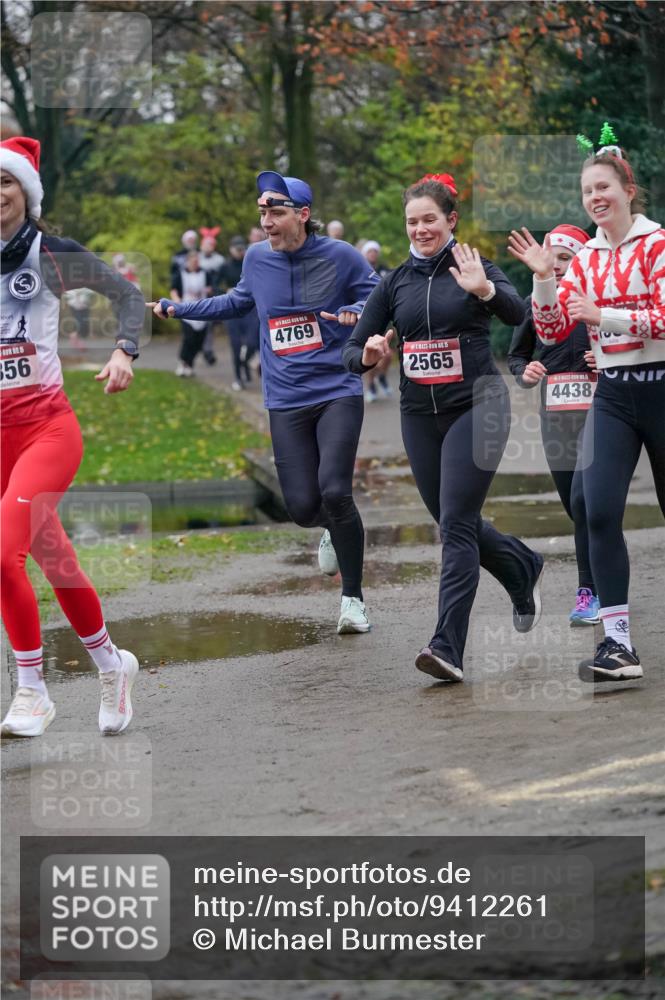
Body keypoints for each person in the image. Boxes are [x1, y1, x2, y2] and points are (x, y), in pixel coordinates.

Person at [152, 171, 380, 634]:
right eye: (263, 213)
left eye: (276, 213)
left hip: (336, 387)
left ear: (303, 215)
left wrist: (358, 313)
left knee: (336, 490)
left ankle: (353, 599)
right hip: (285, 397)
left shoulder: (341, 256)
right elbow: (237, 301)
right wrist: (182, 310)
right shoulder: (257, 258)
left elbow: (377, 290)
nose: (267, 223)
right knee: (300, 506)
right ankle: (334, 528)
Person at [343, 173, 543, 683]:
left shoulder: (473, 266)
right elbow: (352, 352)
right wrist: (366, 355)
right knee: (456, 520)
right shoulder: (394, 282)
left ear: (450, 220)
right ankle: (521, 565)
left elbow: (521, 313)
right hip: (420, 415)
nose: (420, 229)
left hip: (478, 407)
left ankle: (446, 646)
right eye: (412, 221)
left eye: (429, 219)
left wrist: (487, 290)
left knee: (455, 524)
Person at [0, 136, 143, 737]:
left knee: (4, 553)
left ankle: (31, 689)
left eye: (4, 184)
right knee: (56, 560)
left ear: (24, 194)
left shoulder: (49, 254)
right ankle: (112, 664)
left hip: (47, 431)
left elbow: (127, 295)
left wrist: (124, 351)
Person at [508, 139, 665, 683]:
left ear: (628, 191)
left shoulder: (657, 243)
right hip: (616, 395)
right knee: (597, 511)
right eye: (587, 191)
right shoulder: (589, 257)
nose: (595, 197)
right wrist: (544, 277)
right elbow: (551, 330)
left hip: (662, 384)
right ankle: (618, 646)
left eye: (603, 187)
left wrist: (606, 315)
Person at [507, 223, 600, 626]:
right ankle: (606, 565)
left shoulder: (599, 302)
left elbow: (632, 347)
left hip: (601, 416)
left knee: (587, 502)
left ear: (583, 260)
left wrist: (607, 361)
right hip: (555, 419)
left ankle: (589, 591)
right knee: (574, 506)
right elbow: (516, 356)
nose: (557, 265)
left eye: (566, 258)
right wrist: (525, 371)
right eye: (552, 258)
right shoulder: (536, 304)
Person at [218, 236, 260, 391]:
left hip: (250, 309)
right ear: (231, 249)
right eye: (237, 249)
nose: (240, 252)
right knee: (235, 345)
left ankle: (246, 364)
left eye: (242, 249)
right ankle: (238, 377)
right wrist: (226, 292)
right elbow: (216, 285)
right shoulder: (225, 266)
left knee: (252, 343)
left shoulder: (249, 263)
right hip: (232, 309)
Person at [360, 240, 393, 402]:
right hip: (365, 317)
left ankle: (382, 376)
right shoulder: (359, 270)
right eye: (369, 251)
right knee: (370, 353)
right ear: (364, 254)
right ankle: (371, 385)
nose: (372, 254)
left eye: (374, 251)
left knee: (388, 355)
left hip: (385, 317)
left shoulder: (385, 270)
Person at [171, 250, 209, 377]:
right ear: (188, 261)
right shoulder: (180, 274)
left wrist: (209, 290)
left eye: (197, 261)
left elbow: (211, 287)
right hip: (186, 310)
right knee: (189, 338)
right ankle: (183, 362)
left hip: (202, 310)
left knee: (199, 340)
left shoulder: (204, 273)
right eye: (193, 261)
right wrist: (177, 301)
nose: (195, 263)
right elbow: (174, 290)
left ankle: (190, 364)